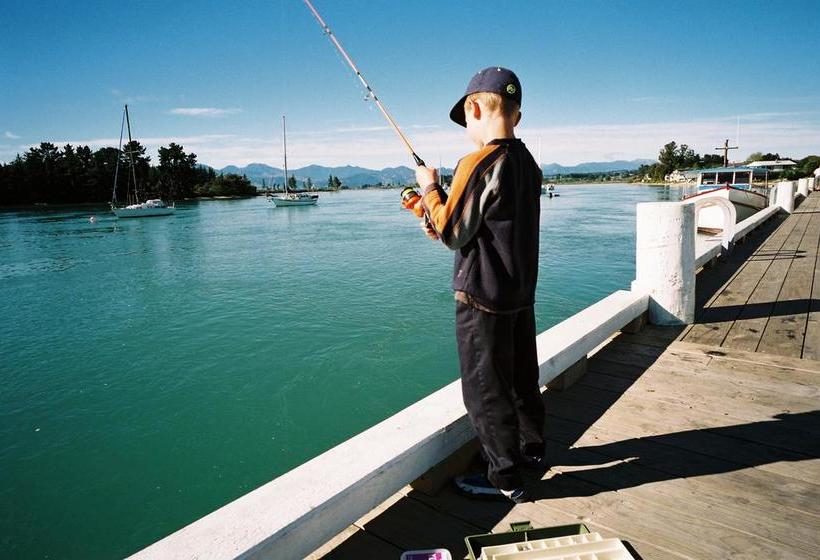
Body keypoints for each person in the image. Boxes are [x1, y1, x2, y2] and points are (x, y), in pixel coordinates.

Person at [413, 67, 545, 503]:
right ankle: (533, 450)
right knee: (522, 378)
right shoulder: (528, 163)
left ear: (474, 108)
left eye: (466, 118)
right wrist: (431, 210)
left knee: (485, 389)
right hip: (518, 295)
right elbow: (477, 226)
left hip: (482, 296)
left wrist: (428, 189)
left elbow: (452, 232)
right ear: (517, 115)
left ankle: (504, 479)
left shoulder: (478, 161)